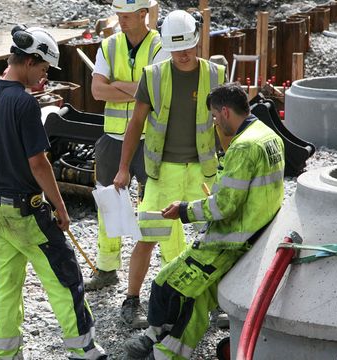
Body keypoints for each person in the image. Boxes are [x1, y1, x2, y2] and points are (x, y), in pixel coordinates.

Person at [0, 25, 107, 359]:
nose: (44, 76)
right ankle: (83, 349)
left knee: (7, 285)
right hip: (26, 212)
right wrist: (60, 207)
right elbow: (39, 163)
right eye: (43, 69)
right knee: (63, 277)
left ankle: (7, 354)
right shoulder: (25, 104)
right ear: (29, 60)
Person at [123, 83, 285, 359]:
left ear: (224, 112)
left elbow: (224, 205)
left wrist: (184, 210)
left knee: (166, 285)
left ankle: (154, 338)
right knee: (195, 301)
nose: (214, 123)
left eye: (213, 116)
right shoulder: (269, 136)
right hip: (254, 238)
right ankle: (165, 353)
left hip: (229, 242)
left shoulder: (244, 147)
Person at [112, 10, 226, 329]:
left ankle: (216, 303)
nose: (183, 55)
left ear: (197, 41)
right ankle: (132, 300)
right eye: (176, 49)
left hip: (203, 171)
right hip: (163, 172)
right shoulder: (154, 75)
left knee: (215, 237)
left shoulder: (215, 74)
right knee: (148, 235)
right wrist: (123, 168)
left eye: (187, 47)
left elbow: (229, 124)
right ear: (166, 46)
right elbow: (136, 123)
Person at [86, 0, 168, 293]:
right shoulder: (109, 46)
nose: (121, 20)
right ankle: (107, 268)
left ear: (144, 14)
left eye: (127, 15)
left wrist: (117, 85)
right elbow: (97, 90)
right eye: (118, 15)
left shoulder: (161, 45)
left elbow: (158, 92)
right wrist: (136, 88)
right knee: (108, 203)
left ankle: (169, 268)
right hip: (112, 138)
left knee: (157, 206)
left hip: (150, 139)